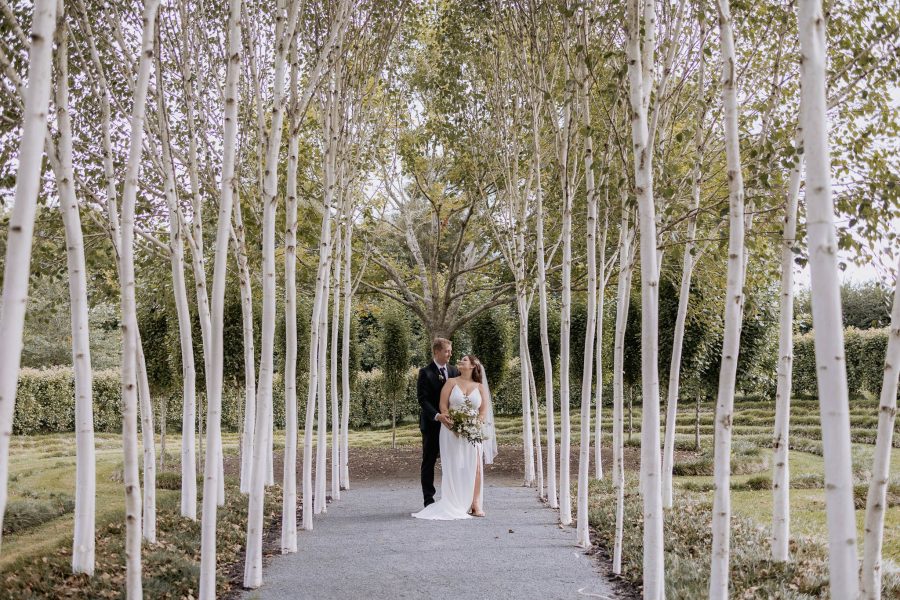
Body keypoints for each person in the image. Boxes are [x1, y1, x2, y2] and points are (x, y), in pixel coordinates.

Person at [412, 354, 491, 520]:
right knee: (453, 465)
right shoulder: (451, 382)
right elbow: (443, 404)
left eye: (464, 360)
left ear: (472, 366)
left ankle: (475, 503)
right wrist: (450, 421)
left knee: (475, 465)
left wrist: (476, 423)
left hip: (473, 432)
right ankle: (454, 501)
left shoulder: (480, 387)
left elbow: (483, 411)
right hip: (450, 430)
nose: (459, 361)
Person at [416, 338, 458, 508]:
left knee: (453, 461)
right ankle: (429, 500)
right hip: (432, 425)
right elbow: (423, 400)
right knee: (429, 461)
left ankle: (453, 497)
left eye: (450, 350)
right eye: (447, 351)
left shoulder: (454, 370)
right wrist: (437, 415)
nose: (450, 354)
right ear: (436, 352)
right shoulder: (425, 372)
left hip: (452, 425)